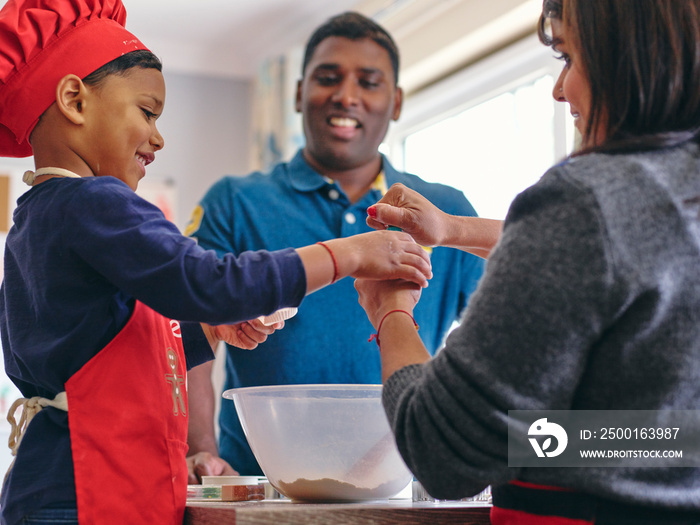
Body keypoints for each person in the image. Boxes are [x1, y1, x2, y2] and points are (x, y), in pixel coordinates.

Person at [0, 1, 432, 524]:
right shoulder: (97, 203)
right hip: (87, 493)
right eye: (147, 111)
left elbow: (108, 353)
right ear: (74, 99)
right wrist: (351, 253)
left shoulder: (37, 217)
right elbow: (206, 280)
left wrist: (214, 331)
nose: (159, 138)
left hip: (56, 486)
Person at [355, 0, 700, 523]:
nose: (560, 90)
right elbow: (663, 440)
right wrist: (451, 230)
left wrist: (389, 311)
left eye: (567, 58)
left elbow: (445, 452)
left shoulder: (589, 201)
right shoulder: (674, 192)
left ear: (624, 57)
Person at [184, 11, 486, 479]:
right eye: (329, 78)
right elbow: (190, 332)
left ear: (397, 101)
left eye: (369, 81)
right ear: (300, 93)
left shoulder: (444, 213)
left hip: (403, 486)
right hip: (260, 487)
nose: (347, 95)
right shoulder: (235, 202)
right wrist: (200, 450)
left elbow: (499, 343)